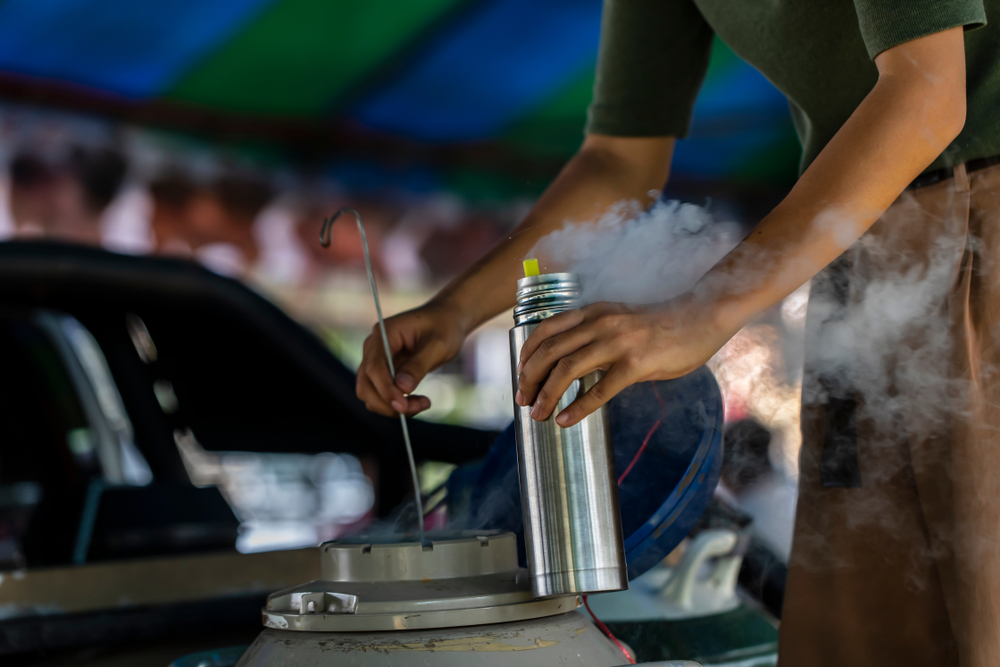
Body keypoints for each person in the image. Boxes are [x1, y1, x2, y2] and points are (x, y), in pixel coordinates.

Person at [357, 2, 999, 665]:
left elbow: (927, 92)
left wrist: (704, 310)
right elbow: (619, 162)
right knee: (861, 623)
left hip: (987, 231)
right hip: (857, 255)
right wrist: (458, 310)